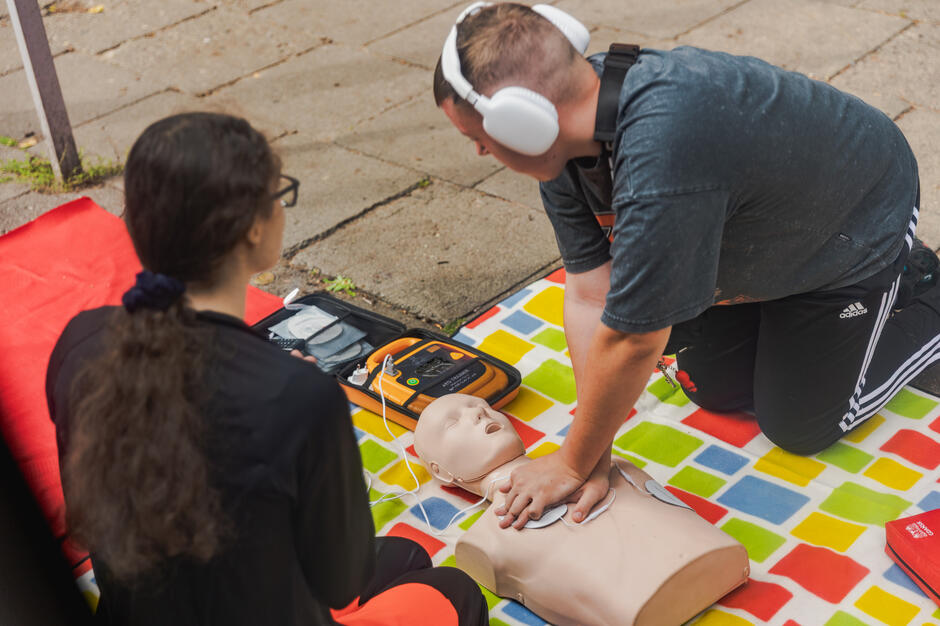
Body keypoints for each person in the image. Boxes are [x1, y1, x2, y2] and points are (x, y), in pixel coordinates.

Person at [431, 2, 940, 529]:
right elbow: (590, 295)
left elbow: (633, 340)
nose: (481, 153)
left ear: (524, 119)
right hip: (767, 233)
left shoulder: (665, 153)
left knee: (801, 425)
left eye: (479, 138)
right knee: (713, 387)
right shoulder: (570, 139)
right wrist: (591, 453)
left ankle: (915, 285)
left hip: (855, 228)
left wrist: (569, 461)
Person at [45, 112, 488, 625]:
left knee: (406, 559)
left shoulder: (80, 342)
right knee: (454, 591)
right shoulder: (297, 396)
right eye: (279, 193)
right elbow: (340, 579)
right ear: (254, 227)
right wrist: (304, 407)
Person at [414, 394, 749, 626]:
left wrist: (581, 462)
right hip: (643, 606)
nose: (479, 413)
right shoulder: (483, 540)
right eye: (453, 423)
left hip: (719, 555)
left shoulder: (611, 462)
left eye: (482, 405)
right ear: (441, 473)